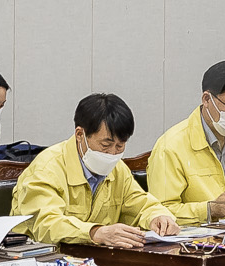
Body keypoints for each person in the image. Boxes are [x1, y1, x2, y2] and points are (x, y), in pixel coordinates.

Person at [13, 95, 181, 248]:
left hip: (95, 260)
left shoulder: (117, 169)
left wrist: (158, 217)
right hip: (42, 261)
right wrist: (95, 232)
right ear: (80, 134)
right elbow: (45, 224)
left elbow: (140, 203)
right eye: (105, 145)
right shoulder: (47, 168)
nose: (113, 154)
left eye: (120, 146)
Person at [145, 61, 225, 220]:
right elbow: (158, 212)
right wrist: (209, 210)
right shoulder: (171, 146)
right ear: (207, 99)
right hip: (194, 242)